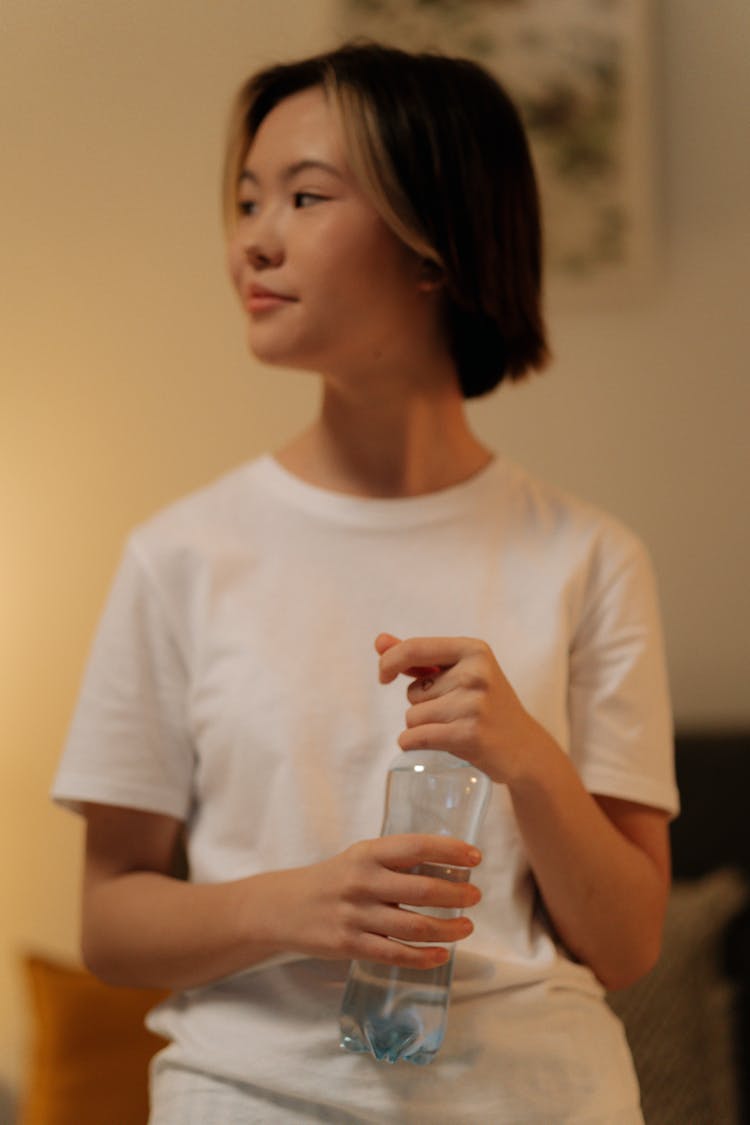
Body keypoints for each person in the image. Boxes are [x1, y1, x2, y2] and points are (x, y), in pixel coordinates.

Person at [52, 42, 679, 1123]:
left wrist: (528, 758)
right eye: (248, 200)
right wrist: (302, 906)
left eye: (304, 196)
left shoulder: (588, 556)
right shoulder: (180, 556)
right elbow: (111, 926)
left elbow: (625, 945)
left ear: (434, 246)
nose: (254, 238)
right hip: (248, 1096)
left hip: (542, 1097)